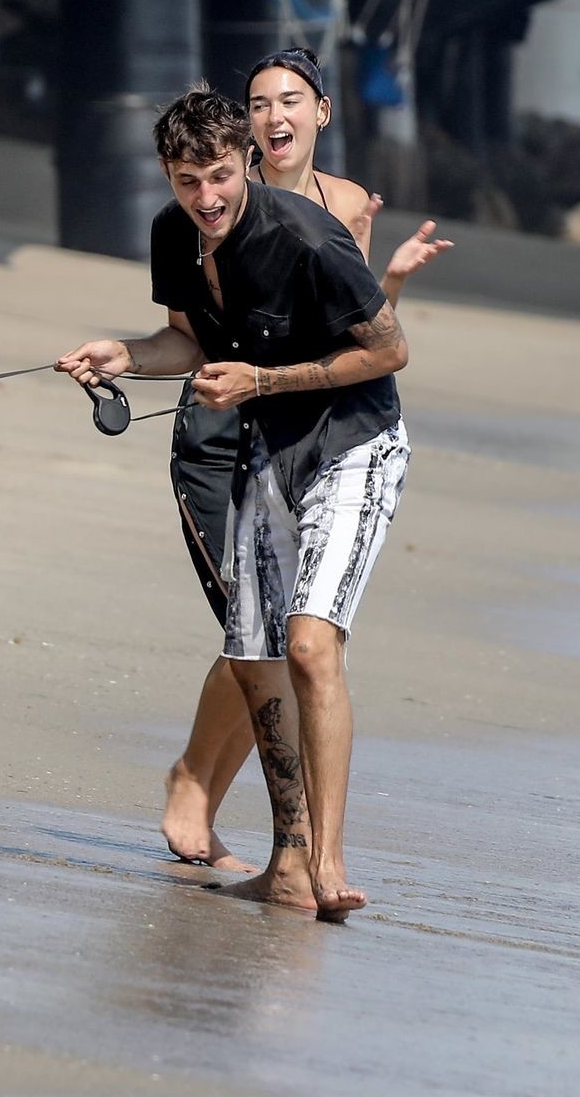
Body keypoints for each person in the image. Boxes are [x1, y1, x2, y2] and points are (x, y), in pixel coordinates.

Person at [57, 84, 412, 918]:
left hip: (351, 445)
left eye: (219, 175)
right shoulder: (172, 235)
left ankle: (326, 862)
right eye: (188, 181)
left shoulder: (306, 237)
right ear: (167, 175)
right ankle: (288, 863)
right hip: (265, 454)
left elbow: (390, 350)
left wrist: (262, 382)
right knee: (253, 655)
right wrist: (125, 355)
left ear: (246, 161)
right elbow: (187, 341)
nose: (207, 197)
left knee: (311, 646)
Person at [159, 47, 452, 872]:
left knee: (291, 639)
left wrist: (392, 280)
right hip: (224, 427)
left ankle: (248, 821)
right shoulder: (210, 201)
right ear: (242, 128)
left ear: (321, 112)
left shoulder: (343, 207)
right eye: (257, 103)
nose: (272, 115)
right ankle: (199, 788)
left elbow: (358, 331)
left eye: (289, 100)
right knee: (249, 630)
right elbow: (191, 335)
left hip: (305, 423)